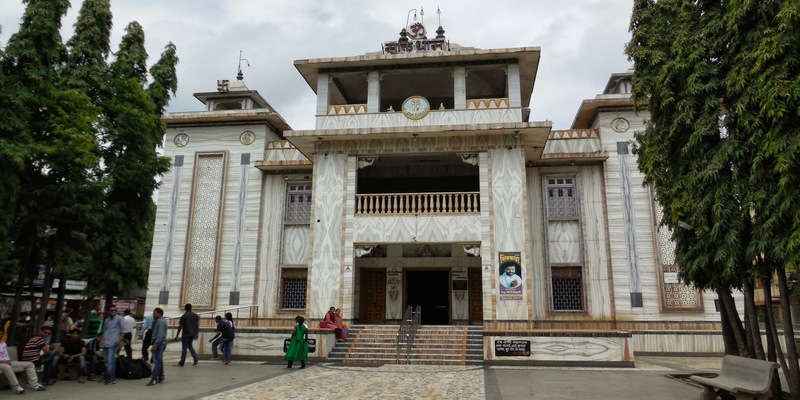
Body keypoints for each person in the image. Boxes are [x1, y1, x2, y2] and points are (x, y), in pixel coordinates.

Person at [0, 326, 46, 394]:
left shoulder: (3, 343)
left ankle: (34, 385)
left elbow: (6, 355)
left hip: (7, 362)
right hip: (2, 364)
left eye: (1, 333)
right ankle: (16, 388)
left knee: (30, 364)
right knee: (7, 367)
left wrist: (8, 361)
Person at [100, 305, 125, 385]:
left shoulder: (119, 319)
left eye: (115, 310)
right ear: (108, 311)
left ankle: (110, 377)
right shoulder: (107, 320)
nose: (113, 311)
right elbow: (104, 331)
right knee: (107, 361)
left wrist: (119, 339)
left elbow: (124, 331)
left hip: (113, 342)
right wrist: (101, 340)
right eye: (111, 310)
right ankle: (109, 377)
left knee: (110, 361)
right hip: (105, 342)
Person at [146, 308, 166, 386]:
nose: (154, 315)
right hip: (158, 343)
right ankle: (161, 376)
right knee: (159, 360)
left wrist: (155, 345)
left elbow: (160, 335)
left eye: (155, 314)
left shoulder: (161, 322)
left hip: (159, 344)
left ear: (159, 314)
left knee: (157, 361)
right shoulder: (157, 321)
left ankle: (154, 378)